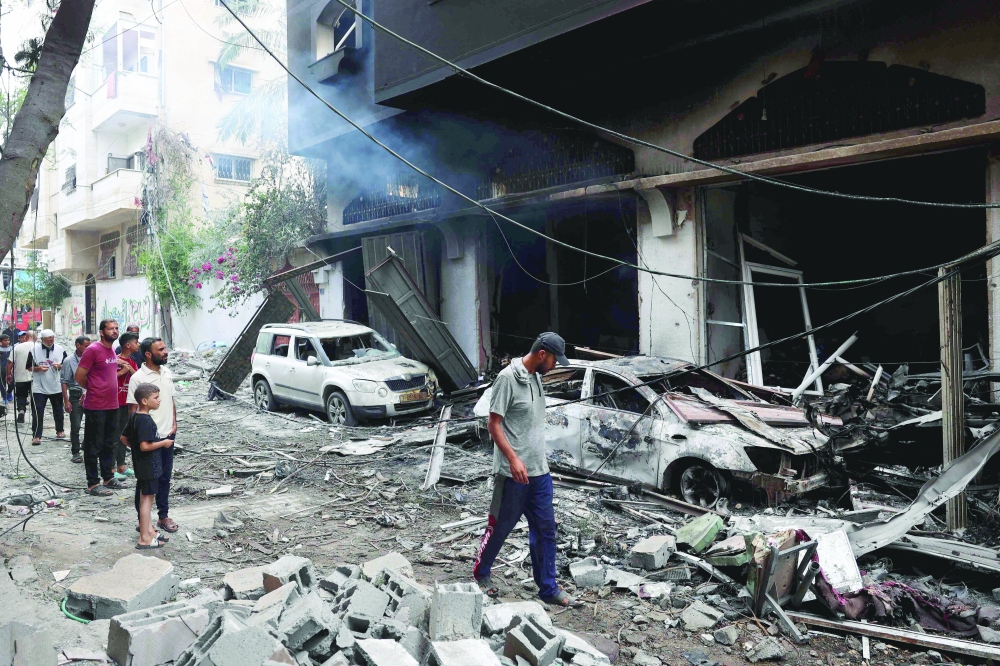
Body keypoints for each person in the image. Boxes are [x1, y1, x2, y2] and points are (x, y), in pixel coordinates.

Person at [472, 332, 580, 607]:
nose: (556, 366)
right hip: (513, 473)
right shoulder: (507, 379)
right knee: (501, 527)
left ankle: (548, 588)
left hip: (539, 472)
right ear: (542, 354)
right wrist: (513, 459)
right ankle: (481, 573)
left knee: (545, 529)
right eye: (555, 360)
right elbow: (493, 424)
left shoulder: (535, 377)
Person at [127, 338, 179, 534]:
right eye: (161, 349)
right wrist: (135, 440)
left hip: (167, 435)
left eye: (165, 348)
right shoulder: (138, 378)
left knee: (165, 476)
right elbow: (132, 410)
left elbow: (171, 400)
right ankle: (143, 523)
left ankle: (163, 516)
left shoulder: (167, 373)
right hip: (147, 439)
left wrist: (174, 423)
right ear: (148, 354)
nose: (166, 352)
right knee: (145, 481)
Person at [76, 319, 129, 497]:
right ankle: (93, 484)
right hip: (96, 405)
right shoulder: (92, 350)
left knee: (110, 443)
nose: (114, 331)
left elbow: (108, 374)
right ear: (101, 331)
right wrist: (94, 388)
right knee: (93, 445)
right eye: (110, 329)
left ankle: (108, 478)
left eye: (116, 328)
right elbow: (79, 377)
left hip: (113, 404)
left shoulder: (112, 350)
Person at [121, 382, 172, 549]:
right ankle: (144, 538)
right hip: (150, 466)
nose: (159, 401)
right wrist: (163, 443)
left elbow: (124, 438)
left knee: (146, 499)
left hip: (142, 465)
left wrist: (135, 449)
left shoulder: (135, 416)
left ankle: (149, 533)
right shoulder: (145, 420)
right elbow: (145, 446)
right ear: (144, 400)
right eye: (155, 398)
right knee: (147, 502)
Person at [27, 329, 67, 445]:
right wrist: (39, 369)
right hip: (39, 386)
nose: (50, 341)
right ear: (42, 340)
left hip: (56, 385)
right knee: (38, 411)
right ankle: (36, 435)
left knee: (58, 410)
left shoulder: (60, 349)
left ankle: (60, 430)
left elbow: (66, 365)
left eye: (52, 338)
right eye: (48, 339)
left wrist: (60, 366)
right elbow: (29, 367)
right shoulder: (34, 350)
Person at [112, 332, 140, 479]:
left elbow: (137, 378)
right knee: (113, 435)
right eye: (136, 342)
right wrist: (123, 371)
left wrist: (129, 369)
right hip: (114, 403)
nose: (138, 344)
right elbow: (107, 378)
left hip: (127, 403)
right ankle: (111, 468)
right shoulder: (115, 360)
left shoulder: (132, 361)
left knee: (123, 434)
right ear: (128, 345)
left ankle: (121, 465)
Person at [61, 335, 90, 463]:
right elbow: (64, 382)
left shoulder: (91, 358)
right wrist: (66, 401)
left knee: (92, 424)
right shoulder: (69, 361)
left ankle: (86, 445)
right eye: (86, 346)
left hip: (90, 394)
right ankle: (76, 452)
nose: (88, 348)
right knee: (76, 425)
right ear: (78, 345)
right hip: (75, 395)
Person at [8, 331, 33, 423]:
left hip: (20, 377)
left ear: (26, 338)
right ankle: (35, 414)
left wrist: (8, 374)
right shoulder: (37, 346)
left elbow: (10, 362)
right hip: (33, 378)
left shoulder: (16, 348)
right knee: (34, 397)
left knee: (21, 396)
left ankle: (21, 411)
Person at [0, 334, 12, 403]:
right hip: (2, 369)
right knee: (2, 383)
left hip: (10, 369)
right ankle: (4, 398)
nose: (7, 342)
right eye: (5, 340)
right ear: (1, 341)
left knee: (12, 383)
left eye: (8, 340)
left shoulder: (11, 348)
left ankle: (9, 392)